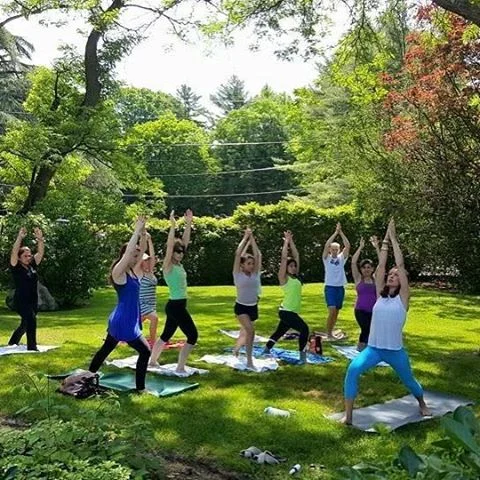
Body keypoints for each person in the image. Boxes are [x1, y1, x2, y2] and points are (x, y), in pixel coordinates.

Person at [343, 219, 430, 425]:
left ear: (401, 281)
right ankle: (348, 417)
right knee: (353, 370)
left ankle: (422, 402)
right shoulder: (380, 295)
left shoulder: (403, 299)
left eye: (395, 275)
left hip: (395, 351)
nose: (391, 276)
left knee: (409, 381)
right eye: (389, 275)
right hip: (374, 349)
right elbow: (381, 265)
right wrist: (384, 241)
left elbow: (399, 264)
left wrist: (393, 238)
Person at [89, 216, 151, 392]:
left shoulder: (132, 271)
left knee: (106, 349)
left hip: (126, 319)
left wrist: (144, 234)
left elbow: (143, 248)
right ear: (127, 254)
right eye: (135, 253)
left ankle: (88, 374)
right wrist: (136, 231)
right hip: (123, 321)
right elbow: (130, 250)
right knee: (145, 352)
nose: (138, 256)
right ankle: (140, 389)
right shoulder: (119, 272)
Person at [149, 209, 196, 374]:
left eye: (182, 252)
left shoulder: (179, 264)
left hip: (176, 305)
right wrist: (173, 226)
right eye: (178, 252)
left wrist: (188, 222)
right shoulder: (167, 266)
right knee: (193, 336)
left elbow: (185, 242)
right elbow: (170, 245)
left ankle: (152, 361)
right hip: (176, 306)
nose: (181, 254)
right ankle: (180, 367)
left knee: (166, 334)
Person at [264, 231, 309, 363]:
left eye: (295, 266)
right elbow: (284, 259)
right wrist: (285, 242)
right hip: (286, 311)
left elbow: (297, 255)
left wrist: (291, 241)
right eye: (291, 266)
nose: (294, 268)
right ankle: (302, 356)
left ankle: (267, 349)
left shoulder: (296, 277)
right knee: (304, 329)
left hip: (291, 311)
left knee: (280, 332)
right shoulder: (284, 278)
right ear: (286, 268)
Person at [8, 226, 44, 351]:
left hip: (32, 300)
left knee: (25, 324)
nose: (29, 258)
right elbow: (14, 252)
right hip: (21, 300)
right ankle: (32, 347)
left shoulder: (32, 265)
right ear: (19, 257)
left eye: (29, 256)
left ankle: (13, 341)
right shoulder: (16, 266)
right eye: (26, 256)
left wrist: (40, 239)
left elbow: (40, 253)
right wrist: (19, 237)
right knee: (31, 320)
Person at [232, 228, 262, 370]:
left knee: (244, 332)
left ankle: (236, 349)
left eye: (252, 264)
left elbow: (258, 254)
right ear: (242, 265)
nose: (251, 266)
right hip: (241, 307)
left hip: (253, 307)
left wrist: (252, 240)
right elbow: (238, 254)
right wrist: (245, 238)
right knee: (250, 331)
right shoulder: (237, 274)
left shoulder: (255, 274)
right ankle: (249, 360)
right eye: (248, 263)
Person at [351, 236, 380, 351]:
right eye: (364, 267)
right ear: (361, 269)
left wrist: (377, 247)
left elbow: (381, 263)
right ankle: (360, 348)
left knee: (372, 330)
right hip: (360, 310)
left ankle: (368, 349)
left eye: (369, 267)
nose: (366, 269)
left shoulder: (375, 279)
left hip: (373, 310)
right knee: (366, 328)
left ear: (372, 269)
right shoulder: (358, 278)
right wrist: (360, 247)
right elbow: (353, 262)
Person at [322, 222, 350, 339]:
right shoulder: (326, 259)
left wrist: (341, 232)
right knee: (332, 311)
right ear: (330, 250)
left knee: (336, 312)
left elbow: (347, 246)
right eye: (332, 249)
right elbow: (326, 244)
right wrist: (335, 233)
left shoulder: (341, 258)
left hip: (340, 288)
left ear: (338, 250)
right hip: (330, 287)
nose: (334, 251)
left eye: (336, 249)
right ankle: (328, 334)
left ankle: (331, 331)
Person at [137, 232, 158, 347]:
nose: (147, 261)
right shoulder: (140, 273)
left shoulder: (150, 272)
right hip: (142, 304)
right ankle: (153, 343)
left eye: (148, 260)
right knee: (154, 318)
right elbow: (139, 254)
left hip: (151, 304)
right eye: (145, 260)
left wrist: (150, 241)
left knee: (132, 326)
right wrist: (142, 238)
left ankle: (152, 344)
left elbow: (153, 256)